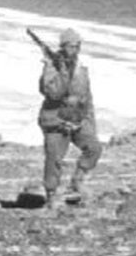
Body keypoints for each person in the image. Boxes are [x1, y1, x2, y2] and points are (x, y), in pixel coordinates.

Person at [37, 27, 101, 206]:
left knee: (94, 148)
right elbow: (53, 93)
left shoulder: (81, 69)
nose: (73, 50)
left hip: (77, 121)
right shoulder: (52, 67)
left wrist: (90, 123)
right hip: (55, 121)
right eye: (69, 46)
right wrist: (61, 70)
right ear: (63, 46)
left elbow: (87, 98)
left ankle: (77, 182)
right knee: (54, 158)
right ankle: (51, 194)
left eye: (76, 46)